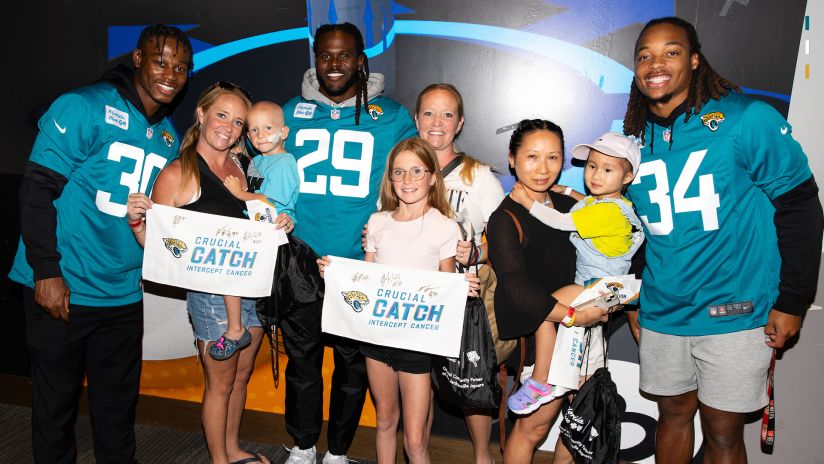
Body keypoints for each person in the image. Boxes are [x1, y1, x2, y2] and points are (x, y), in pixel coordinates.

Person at [623, 17, 823, 463]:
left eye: (671, 52)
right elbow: (638, 229)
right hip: (664, 311)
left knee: (722, 431)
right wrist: (637, 300)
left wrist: (792, 300)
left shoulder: (747, 118)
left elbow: (801, 207)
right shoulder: (631, 139)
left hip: (735, 311)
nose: (656, 64)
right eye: (644, 56)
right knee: (671, 416)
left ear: (695, 61)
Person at [8, 25, 192, 463]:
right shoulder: (83, 106)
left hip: (122, 293)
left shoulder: (167, 135)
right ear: (137, 58)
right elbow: (36, 189)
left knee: (117, 407)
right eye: (160, 60)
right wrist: (46, 271)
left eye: (181, 67)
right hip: (64, 285)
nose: (171, 73)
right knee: (56, 408)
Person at [127, 82, 292, 464]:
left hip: (251, 287)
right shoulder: (178, 173)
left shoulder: (239, 164)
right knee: (220, 382)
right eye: (221, 115)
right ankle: (219, 460)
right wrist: (138, 225)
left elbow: (255, 218)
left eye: (238, 122)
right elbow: (161, 245)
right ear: (200, 114)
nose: (229, 127)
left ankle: (232, 450)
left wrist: (276, 220)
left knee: (241, 374)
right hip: (212, 298)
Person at [280, 22, 417, 464]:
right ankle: (303, 446)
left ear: (361, 60)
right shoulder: (287, 113)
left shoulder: (393, 117)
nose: (333, 64)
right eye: (325, 54)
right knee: (302, 362)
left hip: (360, 262)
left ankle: (337, 451)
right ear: (314, 58)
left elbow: (409, 186)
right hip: (300, 258)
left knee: (352, 365)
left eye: (343, 55)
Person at [319, 138, 478, 463]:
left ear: (433, 177)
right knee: (386, 421)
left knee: (416, 439)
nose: (407, 180)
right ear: (390, 179)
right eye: (399, 172)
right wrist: (335, 276)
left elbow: (446, 282)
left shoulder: (445, 227)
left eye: (417, 171)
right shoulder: (378, 222)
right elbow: (366, 279)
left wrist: (464, 286)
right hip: (377, 339)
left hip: (418, 346)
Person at [486, 119, 609, 463]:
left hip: (586, 328)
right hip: (546, 333)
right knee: (534, 429)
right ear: (512, 159)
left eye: (553, 158)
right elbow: (517, 289)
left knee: (581, 424)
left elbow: (609, 228)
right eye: (532, 157)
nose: (543, 168)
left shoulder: (570, 206)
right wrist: (574, 316)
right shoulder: (504, 218)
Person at [506, 132, 644, 414]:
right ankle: (565, 383)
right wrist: (568, 192)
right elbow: (590, 204)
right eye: (592, 166)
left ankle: (541, 381)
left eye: (608, 170)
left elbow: (559, 221)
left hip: (596, 286)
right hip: (607, 287)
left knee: (544, 310)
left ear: (627, 177)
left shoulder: (606, 213)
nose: (596, 175)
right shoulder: (613, 205)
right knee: (580, 353)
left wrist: (525, 201)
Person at [414, 83, 505, 464]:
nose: (438, 123)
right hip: (415, 292)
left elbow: (509, 241)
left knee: (472, 375)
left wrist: (478, 251)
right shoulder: (403, 167)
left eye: (447, 114)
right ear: (416, 120)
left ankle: (483, 456)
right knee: (419, 381)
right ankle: (419, 454)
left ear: (460, 122)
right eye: (429, 113)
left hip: (465, 292)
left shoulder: (478, 176)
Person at [214, 101, 296, 361]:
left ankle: (237, 329)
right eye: (254, 130)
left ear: (283, 132)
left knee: (234, 274)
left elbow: (271, 203)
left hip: (273, 234)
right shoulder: (258, 160)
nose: (260, 136)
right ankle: (237, 328)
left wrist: (240, 193)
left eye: (267, 128)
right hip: (256, 232)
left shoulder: (284, 163)